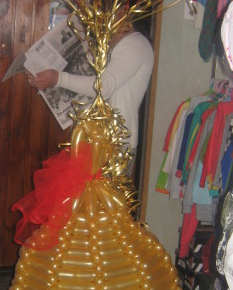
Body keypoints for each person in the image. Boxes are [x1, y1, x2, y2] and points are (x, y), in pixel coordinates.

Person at [25, 17, 154, 173]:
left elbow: (103, 86)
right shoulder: (106, 39)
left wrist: (58, 78)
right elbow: (84, 80)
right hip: (88, 137)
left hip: (114, 145)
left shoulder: (136, 44)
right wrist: (42, 77)